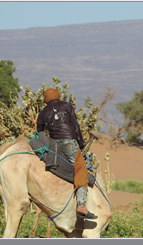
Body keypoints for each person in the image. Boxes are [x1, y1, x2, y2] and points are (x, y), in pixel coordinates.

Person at [36, 88, 97, 220]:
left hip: (54, 145)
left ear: (46, 99)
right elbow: (75, 126)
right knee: (81, 169)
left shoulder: (43, 112)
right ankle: (81, 204)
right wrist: (80, 144)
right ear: (57, 96)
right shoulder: (66, 106)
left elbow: (39, 131)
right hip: (69, 142)